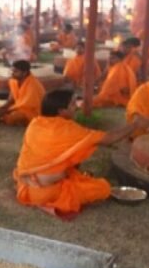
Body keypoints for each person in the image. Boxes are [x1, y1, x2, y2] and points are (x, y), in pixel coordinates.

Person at [14, 89, 136, 218]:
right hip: (47, 192)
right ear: (61, 111)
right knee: (103, 188)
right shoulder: (67, 129)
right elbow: (109, 138)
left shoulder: (35, 123)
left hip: (26, 185)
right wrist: (135, 124)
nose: (76, 107)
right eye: (72, 104)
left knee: (76, 171)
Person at [0, 60, 45, 126]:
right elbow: (11, 99)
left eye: (15, 71)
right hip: (19, 106)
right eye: (12, 71)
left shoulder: (33, 85)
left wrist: (6, 110)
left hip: (33, 111)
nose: (12, 73)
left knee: (13, 117)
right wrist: (3, 107)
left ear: (24, 73)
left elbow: (26, 106)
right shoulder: (14, 80)